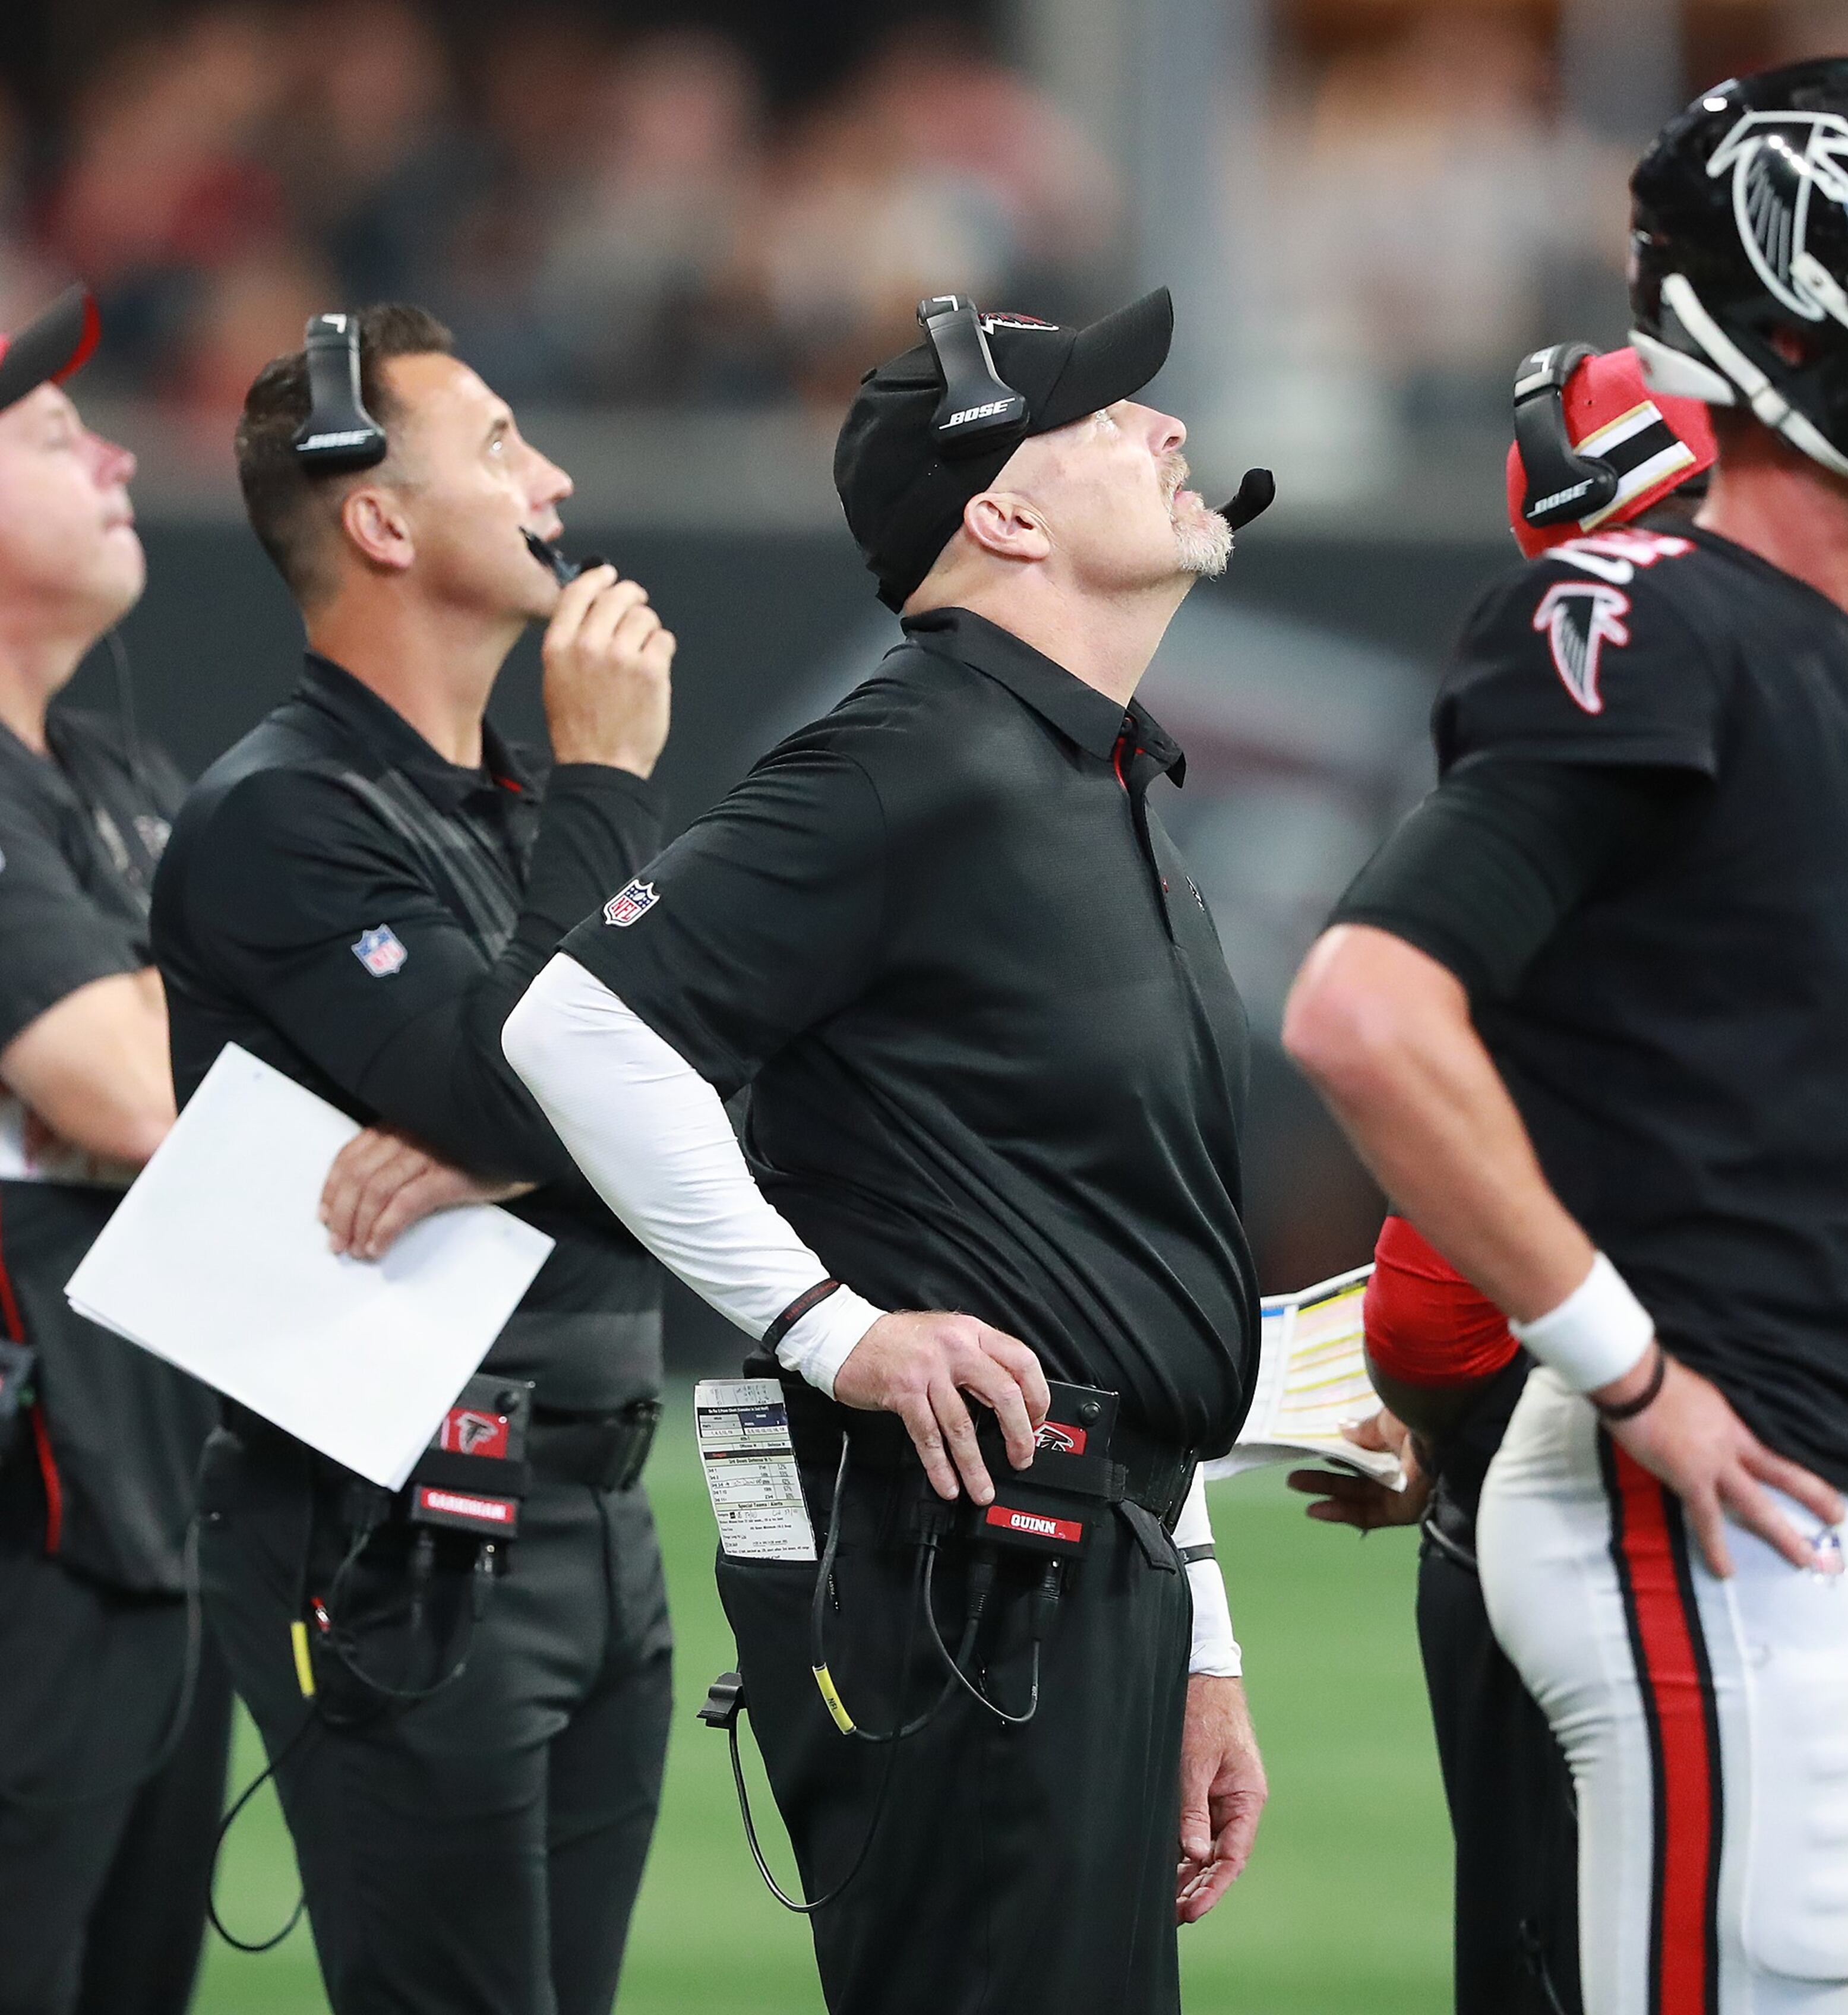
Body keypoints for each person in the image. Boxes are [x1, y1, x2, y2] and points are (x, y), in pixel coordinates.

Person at [1284, 60, 1848, 2015]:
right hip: (1704, 1495)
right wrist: (1623, 1363)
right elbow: (1364, 1009)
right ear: (1790, 319)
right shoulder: (1647, 620)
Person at [501, 289, 1266, 2015]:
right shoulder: (920, 750)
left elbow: (1118, 1243)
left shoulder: (1089, 772)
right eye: (1104, 417)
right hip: (965, 1572)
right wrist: (831, 1327)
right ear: (998, 511)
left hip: (1091, 1559)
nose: (1166, 433)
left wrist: (1202, 1641)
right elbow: (575, 1025)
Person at [150, 303, 678, 2015]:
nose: (560, 480)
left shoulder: (513, 814)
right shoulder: (280, 815)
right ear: (379, 521)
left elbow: (724, 1103)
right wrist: (608, 783)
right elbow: (547, 1090)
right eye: (505, 447)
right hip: (399, 1524)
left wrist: (508, 1141)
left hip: (599, 1508)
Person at [1290, 338, 1719, 2015]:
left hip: (1652, 1471)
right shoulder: (1774, 728)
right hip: (1612, 1458)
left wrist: (1506, 1392)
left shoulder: (1630, 758)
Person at [0, 286, 233, 2015]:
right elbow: (127, 1091)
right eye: (49, 434)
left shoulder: (114, 766)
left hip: (161, 1493)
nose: (114, 448)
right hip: (36, 1518)